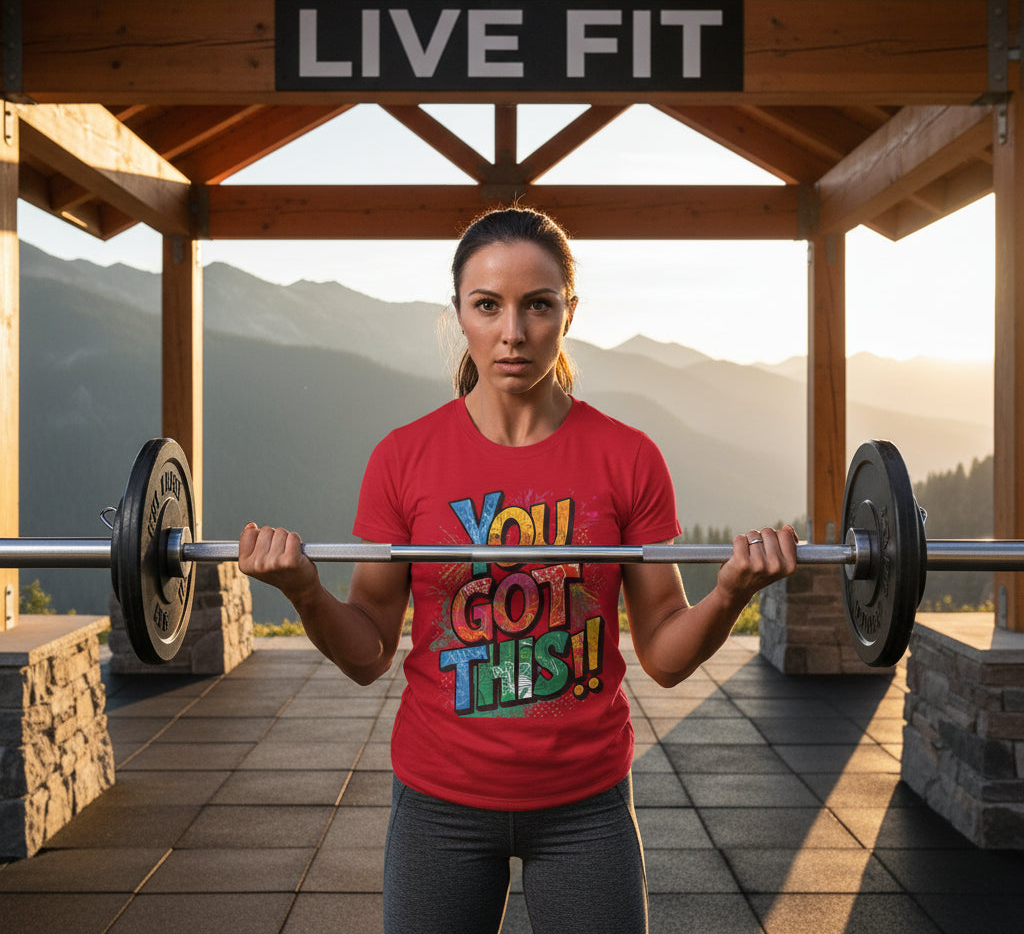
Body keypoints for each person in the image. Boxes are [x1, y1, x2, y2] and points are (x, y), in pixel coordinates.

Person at [238, 206, 797, 934]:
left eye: (538, 305)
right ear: (459, 316)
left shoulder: (628, 457)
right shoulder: (402, 458)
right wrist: (305, 591)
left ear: (568, 311)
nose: (514, 332)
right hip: (439, 801)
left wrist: (729, 593)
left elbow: (662, 653)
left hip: (585, 806)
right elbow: (370, 651)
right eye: (488, 306)